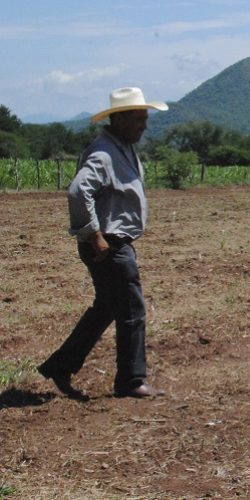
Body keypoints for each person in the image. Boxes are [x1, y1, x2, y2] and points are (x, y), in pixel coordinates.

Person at [37, 87, 168, 399]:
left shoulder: (121, 147)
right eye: (139, 119)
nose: (145, 125)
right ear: (120, 119)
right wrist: (94, 236)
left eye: (145, 119)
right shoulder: (104, 153)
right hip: (109, 244)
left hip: (112, 241)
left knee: (107, 306)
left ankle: (61, 365)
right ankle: (131, 381)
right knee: (132, 310)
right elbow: (77, 191)